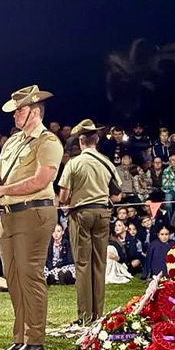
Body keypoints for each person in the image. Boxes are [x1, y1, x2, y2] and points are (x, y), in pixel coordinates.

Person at [0, 85, 63, 350]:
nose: (16, 115)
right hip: (9, 216)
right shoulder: (13, 142)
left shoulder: (48, 142)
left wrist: (2, 190)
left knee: (30, 275)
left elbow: (42, 179)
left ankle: (35, 340)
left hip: (34, 213)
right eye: (15, 111)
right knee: (14, 278)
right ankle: (21, 338)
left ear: (35, 112)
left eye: (21, 110)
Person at [57, 118, 115, 326]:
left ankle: (85, 317)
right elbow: (116, 195)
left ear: (81, 141)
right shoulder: (106, 162)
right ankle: (98, 315)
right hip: (103, 213)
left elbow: (63, 197)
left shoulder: (73, 163)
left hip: (81, 214)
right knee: (99, 265)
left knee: (83, 264)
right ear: (96, 140)